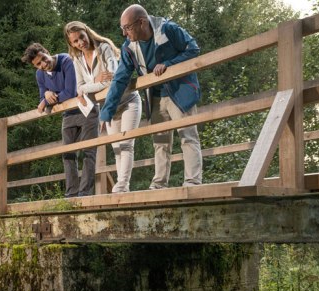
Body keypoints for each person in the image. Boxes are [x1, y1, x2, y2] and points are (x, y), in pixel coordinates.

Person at [99, 4, 203, 189]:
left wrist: (168, 64)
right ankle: (159, 184)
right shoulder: (128, 48)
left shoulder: (168, 29)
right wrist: (106, 113)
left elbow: (193, 48)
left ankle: (192, 182)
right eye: (122, 29)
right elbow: (120, 80)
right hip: (155, 97)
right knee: (160, 142)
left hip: (180, 92)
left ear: (142, 22)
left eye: (127, 28)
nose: (124, 33)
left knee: (187, 136)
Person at [64, 21, 142, 193]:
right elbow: (79, 86)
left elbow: (109, 82)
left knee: (127, 143)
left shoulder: (104, 48)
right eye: (75, 41)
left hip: (128, 101)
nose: (80, 43)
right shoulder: (77, 58)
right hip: (109, 108)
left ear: (87, 32)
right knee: (116, 147)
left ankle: (122, 185)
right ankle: (122, 186)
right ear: (71, 44)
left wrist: (86, 87)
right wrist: (91, 84)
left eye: (81, 37)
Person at [21, 42, 98, 198]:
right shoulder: (40, 75)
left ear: (46, 51)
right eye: (38, 64)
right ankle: (72, 194)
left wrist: (49, 98)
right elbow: (43, 100)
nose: (43, 64)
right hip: (68, 114)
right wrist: (46, 96)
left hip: (86, 109)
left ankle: (85, 194)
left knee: (88, 152)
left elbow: (70, 92)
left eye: (43, 58)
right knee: (67, 154)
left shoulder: (66, 60)